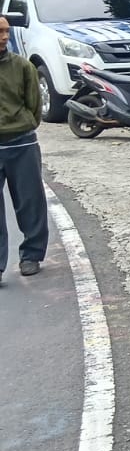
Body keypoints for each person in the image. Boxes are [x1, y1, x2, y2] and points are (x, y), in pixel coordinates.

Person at [0, 15, 48, 286]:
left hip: (21, 141)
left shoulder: (22, 67)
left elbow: (34, 105)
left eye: (6, 31)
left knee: (30, 201)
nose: (5, 36)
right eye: (0, 32)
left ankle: (31, 255)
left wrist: (24, 125)